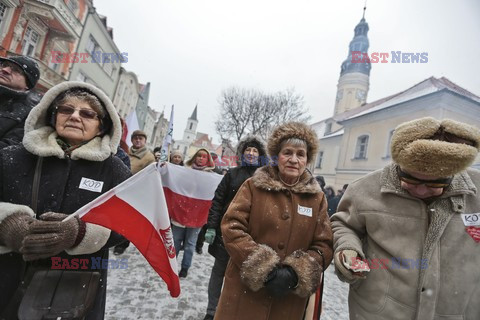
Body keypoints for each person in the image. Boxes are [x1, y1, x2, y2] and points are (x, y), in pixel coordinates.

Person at [0, 81, 131, 319]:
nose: (75, 116)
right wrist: (7, 223)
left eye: (87, 114)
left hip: (74, 289)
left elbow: (127, 226)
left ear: (101, 127)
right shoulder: (12, 157)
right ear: (53, 115)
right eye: (66, 110)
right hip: (8, 279)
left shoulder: (115, 171)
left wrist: (79, 234)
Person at [331, 117, 480, 320]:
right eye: (410, 179)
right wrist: (348, 248)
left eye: (435, 184)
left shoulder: (476, 190)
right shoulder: (364, 189)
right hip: (379, 313)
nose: (420, 190)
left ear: (453, 173)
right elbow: (343, 224)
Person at [215, 122, 333, 320]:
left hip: (288, 300)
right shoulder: (253, 186)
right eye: (287, 152)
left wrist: (296, 273)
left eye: (300, 154)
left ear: (307, 159)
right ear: (277, 155)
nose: (293, 160)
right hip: (245, 293)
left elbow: (324, 244)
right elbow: (232, 226)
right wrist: (263, 267)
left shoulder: (317, 198)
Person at [202, 135, 266, 320]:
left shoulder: (265, 178)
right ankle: (212, 311)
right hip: (226, 233)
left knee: (242, 278)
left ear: (260, 155)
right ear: (242, 153)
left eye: (255, 150)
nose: (251, 153)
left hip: (250, 237)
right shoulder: (232, 174)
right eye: (248, 150)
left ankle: (232, 312)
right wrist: (212, 227)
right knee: (218, 273)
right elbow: (218, 201)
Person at [172, 148, 216, 278]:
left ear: (208, 160)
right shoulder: (185, 171)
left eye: (204, 157)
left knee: (190, 244)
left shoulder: (212, 176)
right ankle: (171, 265)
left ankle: (185, 268)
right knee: (175, 241)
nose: (201, 158)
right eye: (199, 156)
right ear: (195, 157)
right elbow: (175, 182)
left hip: (197, 215)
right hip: (181, 212)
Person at [113, 129, 155, 255]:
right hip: (120, 189)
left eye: (140, 138)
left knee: (128, 220)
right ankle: (115, 239)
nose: (138, 140)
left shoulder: (149, 157)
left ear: (145, 141)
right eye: (135, 138)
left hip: (135, 192)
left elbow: (149, 177)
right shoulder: (126, 152)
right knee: (117, 217)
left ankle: (122, 243)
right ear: (131, 140)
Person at [0, 55, 41, 149]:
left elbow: (7, 150)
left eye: (16, 70)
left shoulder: (31, 114)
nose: (5, 70)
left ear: (28, 84)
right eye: (4, 65)